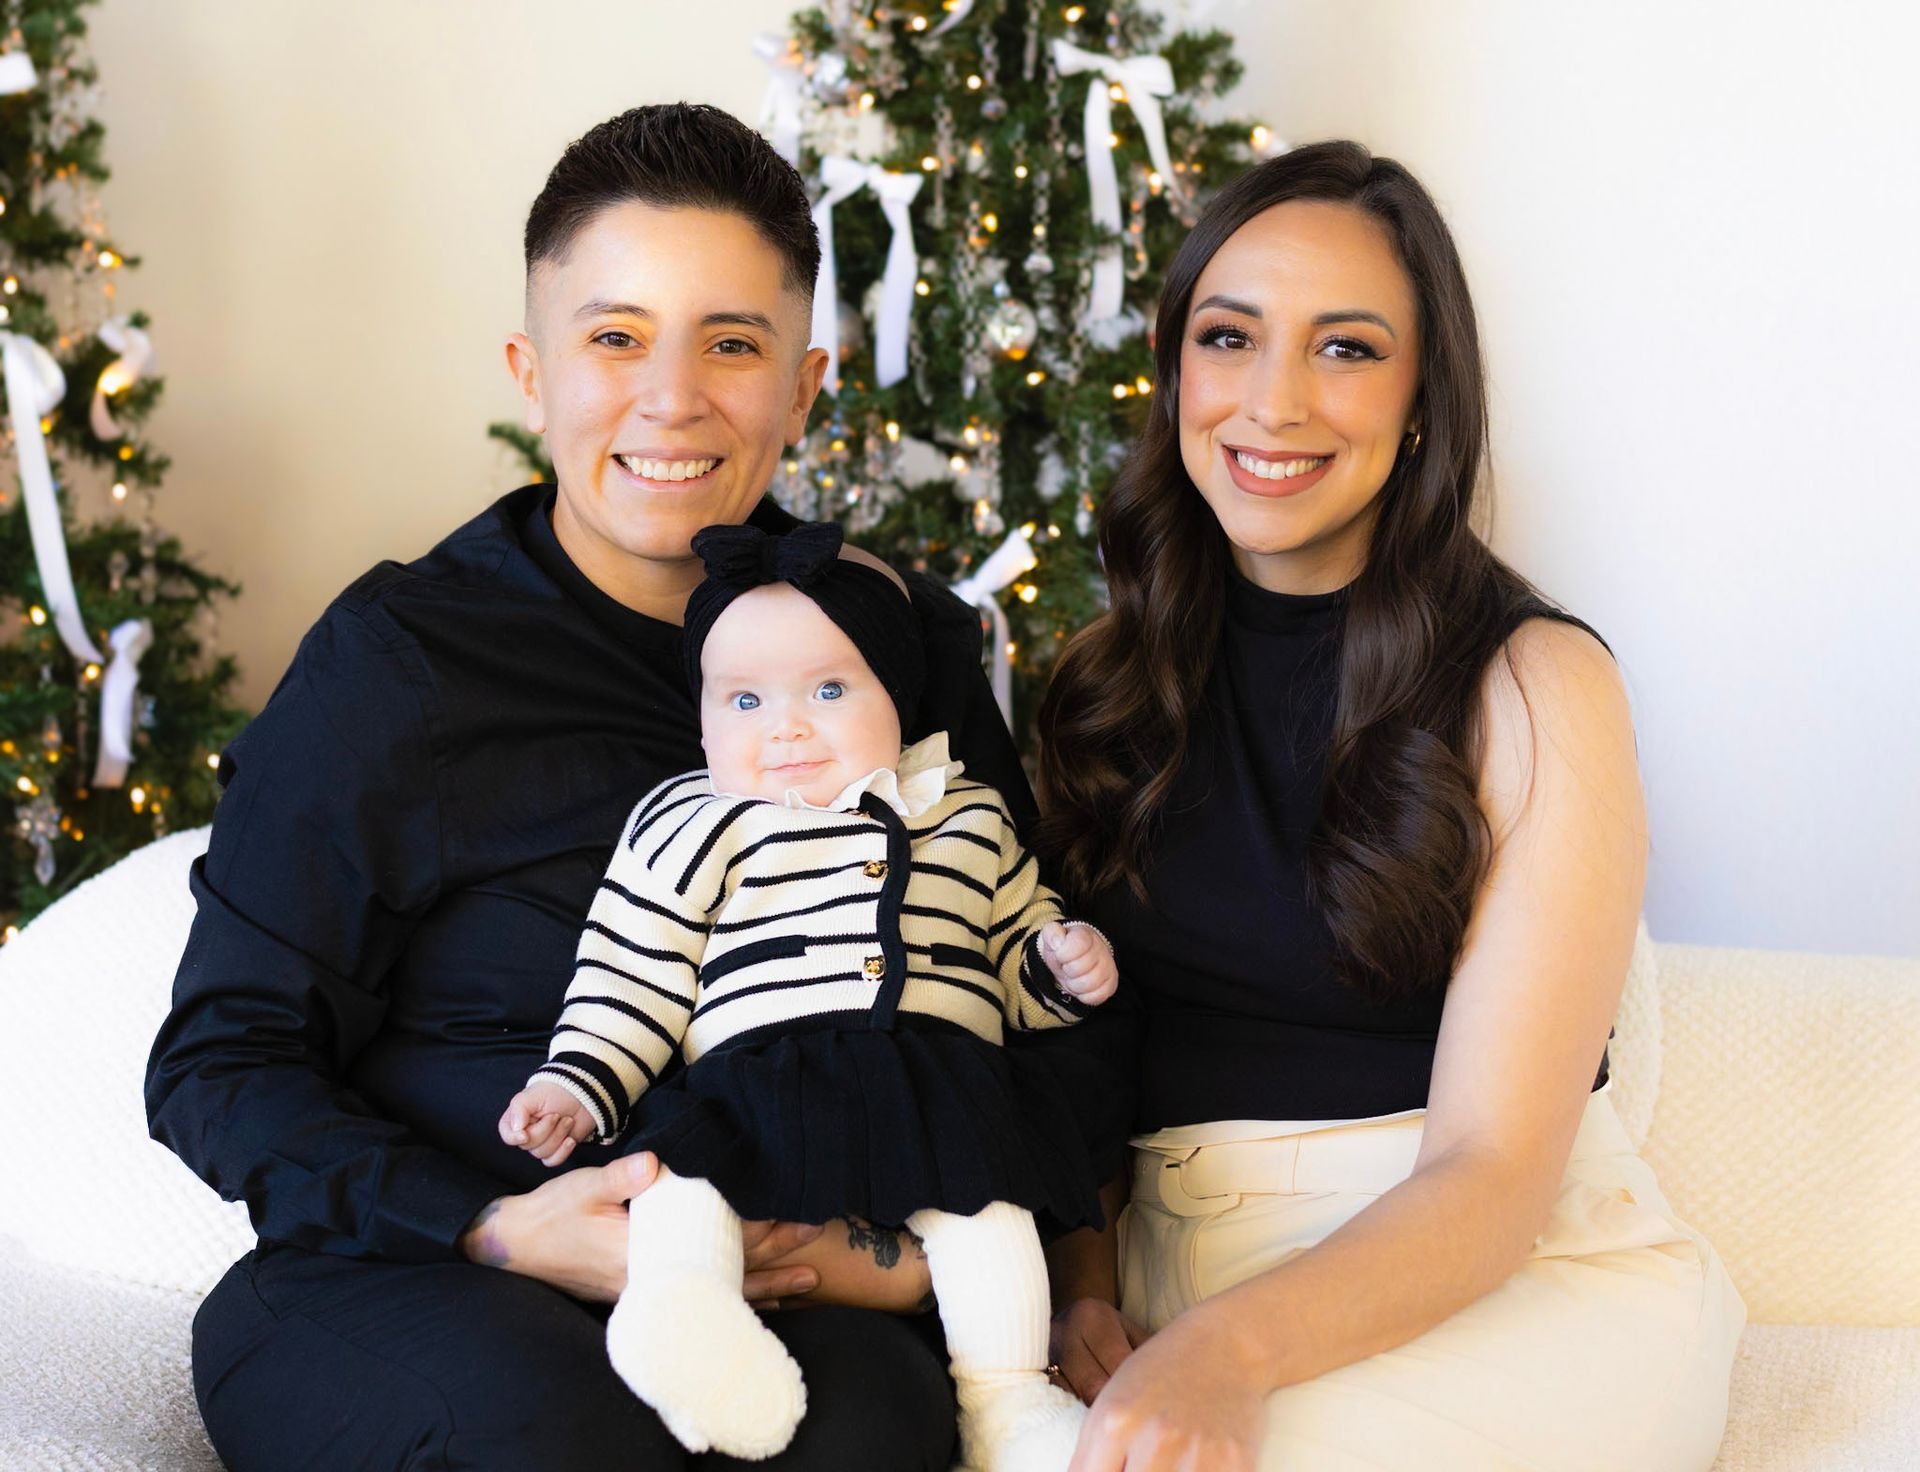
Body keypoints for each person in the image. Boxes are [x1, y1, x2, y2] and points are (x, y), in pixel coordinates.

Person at [143, 103, 1024, 1471]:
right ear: (533, 371)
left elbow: (1011, 984)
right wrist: (488, 1224)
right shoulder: (398, 666)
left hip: (772, 1283)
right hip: (417, 1274)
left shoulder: (901, 644)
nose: (672, 399)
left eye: (733, 344)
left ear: (804, 386)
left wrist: (952, 1265)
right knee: (553, 1435)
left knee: (881, 1429)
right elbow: (221, 1060)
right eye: (614, 338)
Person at [1034, 141, 1746, 1471]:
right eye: (1229, 337)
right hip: (1179, 1273)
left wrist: (1222, 1353)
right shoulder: (1104, 681)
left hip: (1493, 1270)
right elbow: (1076, 1056)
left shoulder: (1538, 684)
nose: (1272, 400)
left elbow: (1491, 1171)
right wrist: (1083, 1278)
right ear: (1178, 369)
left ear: (1425, 396)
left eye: (1347, 350)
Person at [499, 519, 1116, 1467]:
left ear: (895, 699)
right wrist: (576, 1084)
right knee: (686, 1185)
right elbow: (632, 972)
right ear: (702, 713)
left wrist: (1058, 968)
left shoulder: (965, 814)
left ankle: (1008, 1403)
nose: (784, 726)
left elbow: (1008, 955)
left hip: (938, 1083)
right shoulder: (694, 821)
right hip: (756, 1076)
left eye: (829, 690)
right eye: (742, 699)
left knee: (988, 1219)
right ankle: (684, 1322)